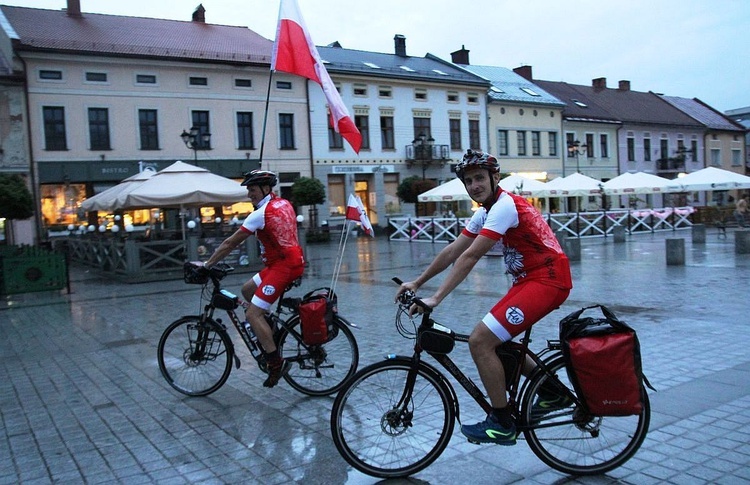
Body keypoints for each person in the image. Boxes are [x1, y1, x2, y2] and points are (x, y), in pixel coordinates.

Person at [395, 149, 573, 446]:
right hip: (528, 281)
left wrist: (436, 297)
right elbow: (454, 250)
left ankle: (502, 422)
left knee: (480, 341)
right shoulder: (485, 212)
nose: (474, 185)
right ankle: (553, 392)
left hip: (548, 281)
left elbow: (471, 255)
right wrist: (418, 281)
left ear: (495, 177)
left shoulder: (505, 207)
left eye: (479, 178)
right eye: (468, 181)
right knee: (499, 342)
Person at [202, 169, 305, 388]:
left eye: (252, 189)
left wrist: (207, 264)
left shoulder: (260, 213)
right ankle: (270, 334)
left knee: (252, 313)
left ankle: (275, 362)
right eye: (248, 189)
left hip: (284, 266)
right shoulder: (284, 203)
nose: (249, 194)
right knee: (247, 290)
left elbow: (231, 243)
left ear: (266, 189)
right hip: (283, 262)